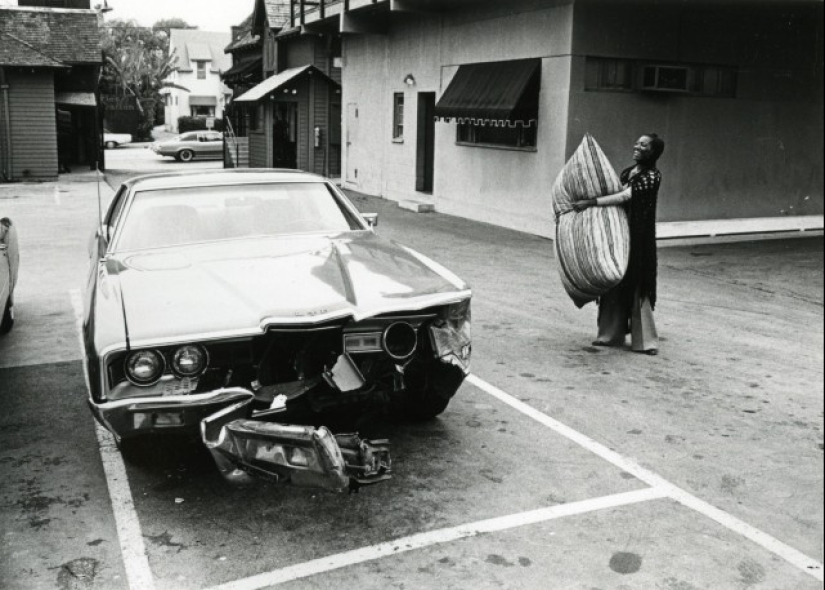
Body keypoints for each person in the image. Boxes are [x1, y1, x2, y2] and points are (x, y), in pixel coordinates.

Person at [573, 133, 665, 355]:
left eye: (643, 145)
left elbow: (624, 197)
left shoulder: (652, 176)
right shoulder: (628, 172)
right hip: (620, 234)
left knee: (637, 283)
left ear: (652, 152)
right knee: (614, 279)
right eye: (637, 143)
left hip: (639, 237)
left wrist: (591, 202)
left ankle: (645, 342)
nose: (637, 146)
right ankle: (610, 335)